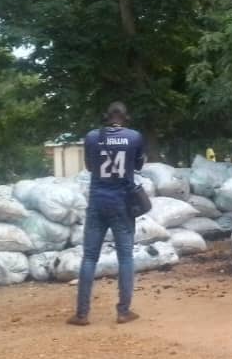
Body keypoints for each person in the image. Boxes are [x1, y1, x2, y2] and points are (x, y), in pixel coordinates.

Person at [68, 102, 147, 325]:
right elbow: (139, 165)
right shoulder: (134, 137)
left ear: (106, 116)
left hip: (97, 203)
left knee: (90, 257)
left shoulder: (93, 137)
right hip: (122, 204)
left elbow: (91, 167)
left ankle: (82, 314)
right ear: (125, 117)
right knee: (125, 257)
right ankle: (123, 311)